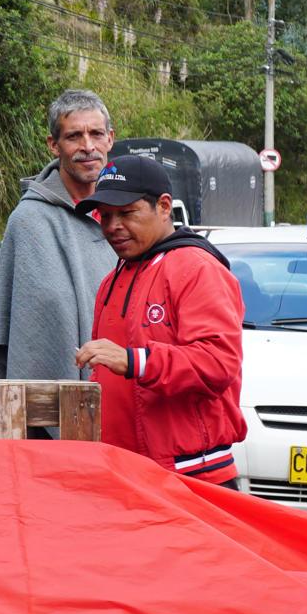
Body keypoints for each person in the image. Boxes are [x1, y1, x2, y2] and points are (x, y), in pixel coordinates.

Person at [72, 157, 246, 485]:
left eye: (126, 213)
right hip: (123, 471)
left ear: (164, 207)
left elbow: (218, 362)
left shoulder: (196, 268)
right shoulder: (112, 280)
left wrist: (134, 360)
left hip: (190, 474)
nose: (112, 226)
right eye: (105, 216)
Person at [0, 89, 119, 382]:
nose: (88, 146)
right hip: (59, 391)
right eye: (74, 136)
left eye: (96, 134)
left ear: (110, 138)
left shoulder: (126, 214)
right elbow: (31, 329)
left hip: (122, 385)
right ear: (53, 145)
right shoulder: (29, 221)